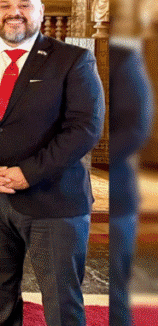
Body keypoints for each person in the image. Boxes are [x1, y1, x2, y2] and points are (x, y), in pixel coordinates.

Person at [0, 0, 104, 326]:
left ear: (40, 12)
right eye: (5, 6)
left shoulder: (72, 60)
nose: (15, 13)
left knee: (61, 301)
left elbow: (84, 128)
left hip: (54, 199)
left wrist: (28, 172)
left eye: (24, 5)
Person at [109, 40, 153, 326]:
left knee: (114, 291)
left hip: (115, 194)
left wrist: (76, 158)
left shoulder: (122, 58)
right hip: (54, 195)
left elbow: (135, 127)